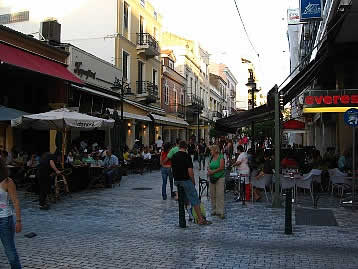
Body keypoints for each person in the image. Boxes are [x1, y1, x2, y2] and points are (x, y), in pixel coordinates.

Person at [171, 141, 211, 225]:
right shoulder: (187, 156)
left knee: (185, 199)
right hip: (185, 180)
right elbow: (190, 171)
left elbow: (173, 168)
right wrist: (193, 181)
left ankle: (188, 216)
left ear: (179, 147)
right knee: (194, 198)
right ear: (186, 147)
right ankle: (200, 219)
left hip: (177, 180)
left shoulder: (174, 156)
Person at [0, 159, 22, 268]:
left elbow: (16, 201)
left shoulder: (7, 182)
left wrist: (18, 221)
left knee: (10, 252)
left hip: (4, 220)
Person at [208, 145, 225, 219]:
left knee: (219, 194)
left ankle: (220, 211)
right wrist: (209, 170)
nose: (210, 152)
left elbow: (221, 167)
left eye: (211, 150)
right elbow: (209, 166)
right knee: (212, 194)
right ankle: (214, 210)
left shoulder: (221, 157)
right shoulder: (211, 157)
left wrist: (213, 171)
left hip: (220, 177)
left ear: (215, 150)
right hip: (212, 178)